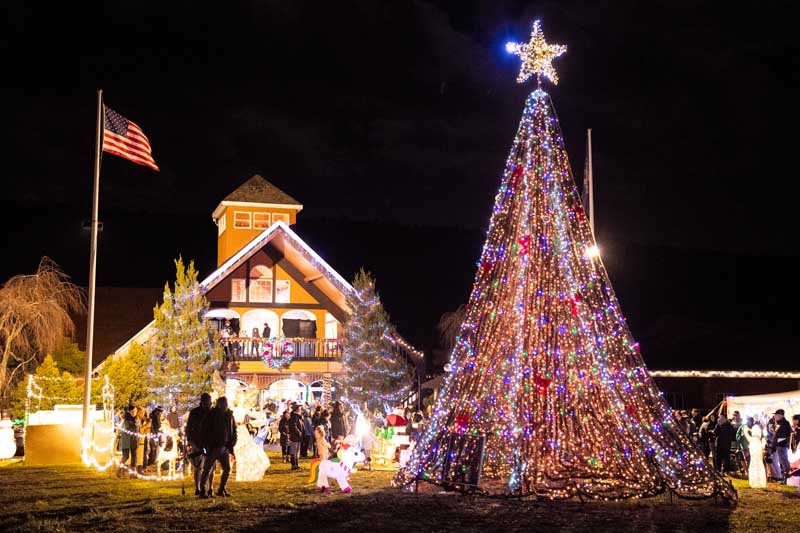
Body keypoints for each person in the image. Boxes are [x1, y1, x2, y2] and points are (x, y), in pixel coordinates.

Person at [199, 396, 237, 498]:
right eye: (223, 404)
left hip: (225, 447)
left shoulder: (229, 416)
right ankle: (202, 490)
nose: (225, 406)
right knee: (207, 469)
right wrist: (205, 445)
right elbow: (204, 430)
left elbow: (233, 430)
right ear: (219, 405)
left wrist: (232, 443)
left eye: (226, 404)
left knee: (227, 469)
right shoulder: (211, 415)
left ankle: (221, 489)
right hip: (213, 447)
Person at [232, 399, 270, 481]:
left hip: (238, 429)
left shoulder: (236, 410)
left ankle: (239, 471)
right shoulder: (240, 410)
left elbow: (253, 416)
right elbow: (253, 416)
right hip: (239, 429)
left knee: (239, 449)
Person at [186, 393, 215, 497]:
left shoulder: (213, 412)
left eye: (210, 403)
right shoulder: (194, 413)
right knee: (198, 467)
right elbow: (189, 429)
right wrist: (191, 442)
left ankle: (210, 488)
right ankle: (197, 488)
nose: (209, 405)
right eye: (207, 403)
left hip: (210, 444)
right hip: (197, 443)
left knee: (211, 467)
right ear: (202, 402)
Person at [118, 401, 140, 478]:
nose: (134, 412)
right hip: (126, 440)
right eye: (133, 411)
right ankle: (120, 471)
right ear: (130, 411)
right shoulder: (125, 418)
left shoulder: (137, 418)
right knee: (125, 456)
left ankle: (133, 473)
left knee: (134, 457)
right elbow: (122, 427)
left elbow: (138, 428)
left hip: (134, 439)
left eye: (135, 411)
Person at [770, 409, 791, 481]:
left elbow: (786, 435)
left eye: (776, 415)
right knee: (781, 461)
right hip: (778, 445)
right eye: (775, 415)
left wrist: (778, 441)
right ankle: (783, 477)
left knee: (784, 461)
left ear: (781, 416)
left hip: (782, 446)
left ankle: (787, 478)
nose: (775, 416)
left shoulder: (785, 423)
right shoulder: (778, 423)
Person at [745, 422, 767, 488]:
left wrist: (747, 430)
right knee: (759, 463)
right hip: (758, 448)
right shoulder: (760, 441)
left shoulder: (752, 440)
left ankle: (754, 482)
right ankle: (760, 482)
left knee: (754, 463)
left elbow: (746, 433)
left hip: (754, 448)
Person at [288, 404, 304, 470]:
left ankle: (296, 465)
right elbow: (293, 426)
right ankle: (294, 465)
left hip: (298, 437)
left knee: (297, 452)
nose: (300, 409)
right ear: (296, 409)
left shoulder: (298, 416)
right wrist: (299, 432)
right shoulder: (294, 416)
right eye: (299, 408)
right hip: (295, 437)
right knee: (294, 451)